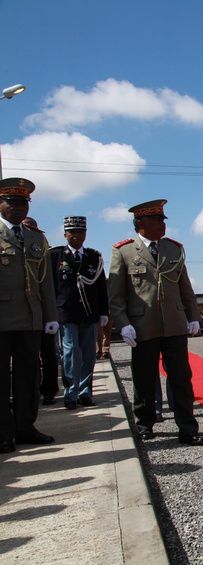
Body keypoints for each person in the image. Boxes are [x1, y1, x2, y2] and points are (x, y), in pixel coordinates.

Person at [108, 199, 203, 445]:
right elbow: (116, 295)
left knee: (181, 378)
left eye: (163, 220)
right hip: (143, 325)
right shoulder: (124, 251)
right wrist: (123, 323)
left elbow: (185, 287)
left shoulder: (174, 249)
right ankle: (144, 424)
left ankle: (187, 428)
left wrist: (193, 316)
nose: (162, 225)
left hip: (174, 324)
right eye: (156, 220)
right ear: (140, 223)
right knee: (143, 377)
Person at [0, 178, 59, 452]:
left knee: (28, 374)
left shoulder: (37, 238)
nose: (19, 207)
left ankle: (25, 426)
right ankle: (3, 432)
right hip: (2, 318)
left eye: (24, 202)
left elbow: (45, 281)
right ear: (1, 204)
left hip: (31, 316)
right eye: (13, 202)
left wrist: (50, 315)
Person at [49, 216, 109, 409]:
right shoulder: (55, 256)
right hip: (66, 313)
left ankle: (85, 392)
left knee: (89, 355)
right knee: (71, 352)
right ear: (65, 234)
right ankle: (70, 393)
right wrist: (51, 314)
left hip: (89, 313)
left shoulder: (94, 257)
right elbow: (49, 288)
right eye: (72, 232)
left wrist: (103, 312)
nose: (76, 236)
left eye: (80, 232)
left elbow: (101, 287)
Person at [22, 217, 62, 405]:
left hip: (42, 309)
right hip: (19, 312)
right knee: (27, 358)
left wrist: (52, 314)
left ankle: (49, 390)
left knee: (48, 353)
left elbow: (49, 284)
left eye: (30, 227)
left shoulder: (43, 246)